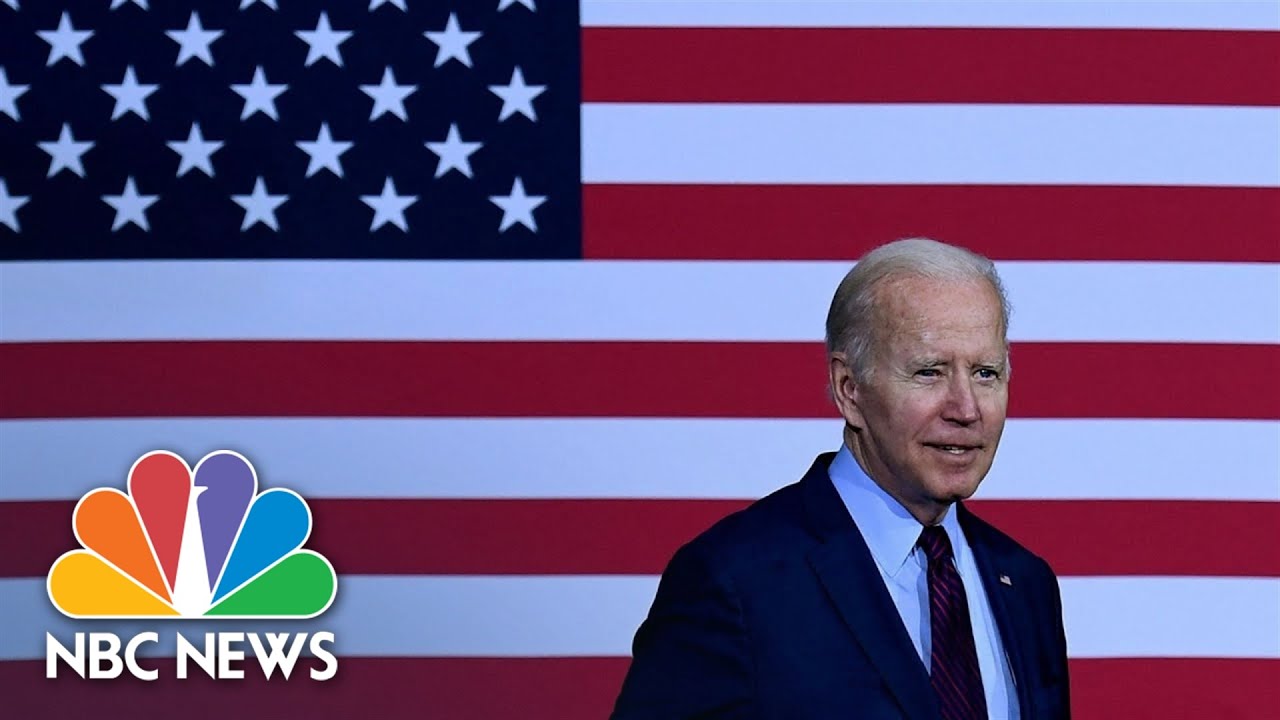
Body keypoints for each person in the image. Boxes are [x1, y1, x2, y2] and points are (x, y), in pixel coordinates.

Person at [611, 238, 1070, 719]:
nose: (966, 409)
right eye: (929, 372)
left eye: (986, 373)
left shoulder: (1025, 582)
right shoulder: (735, 580)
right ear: (849, 389)